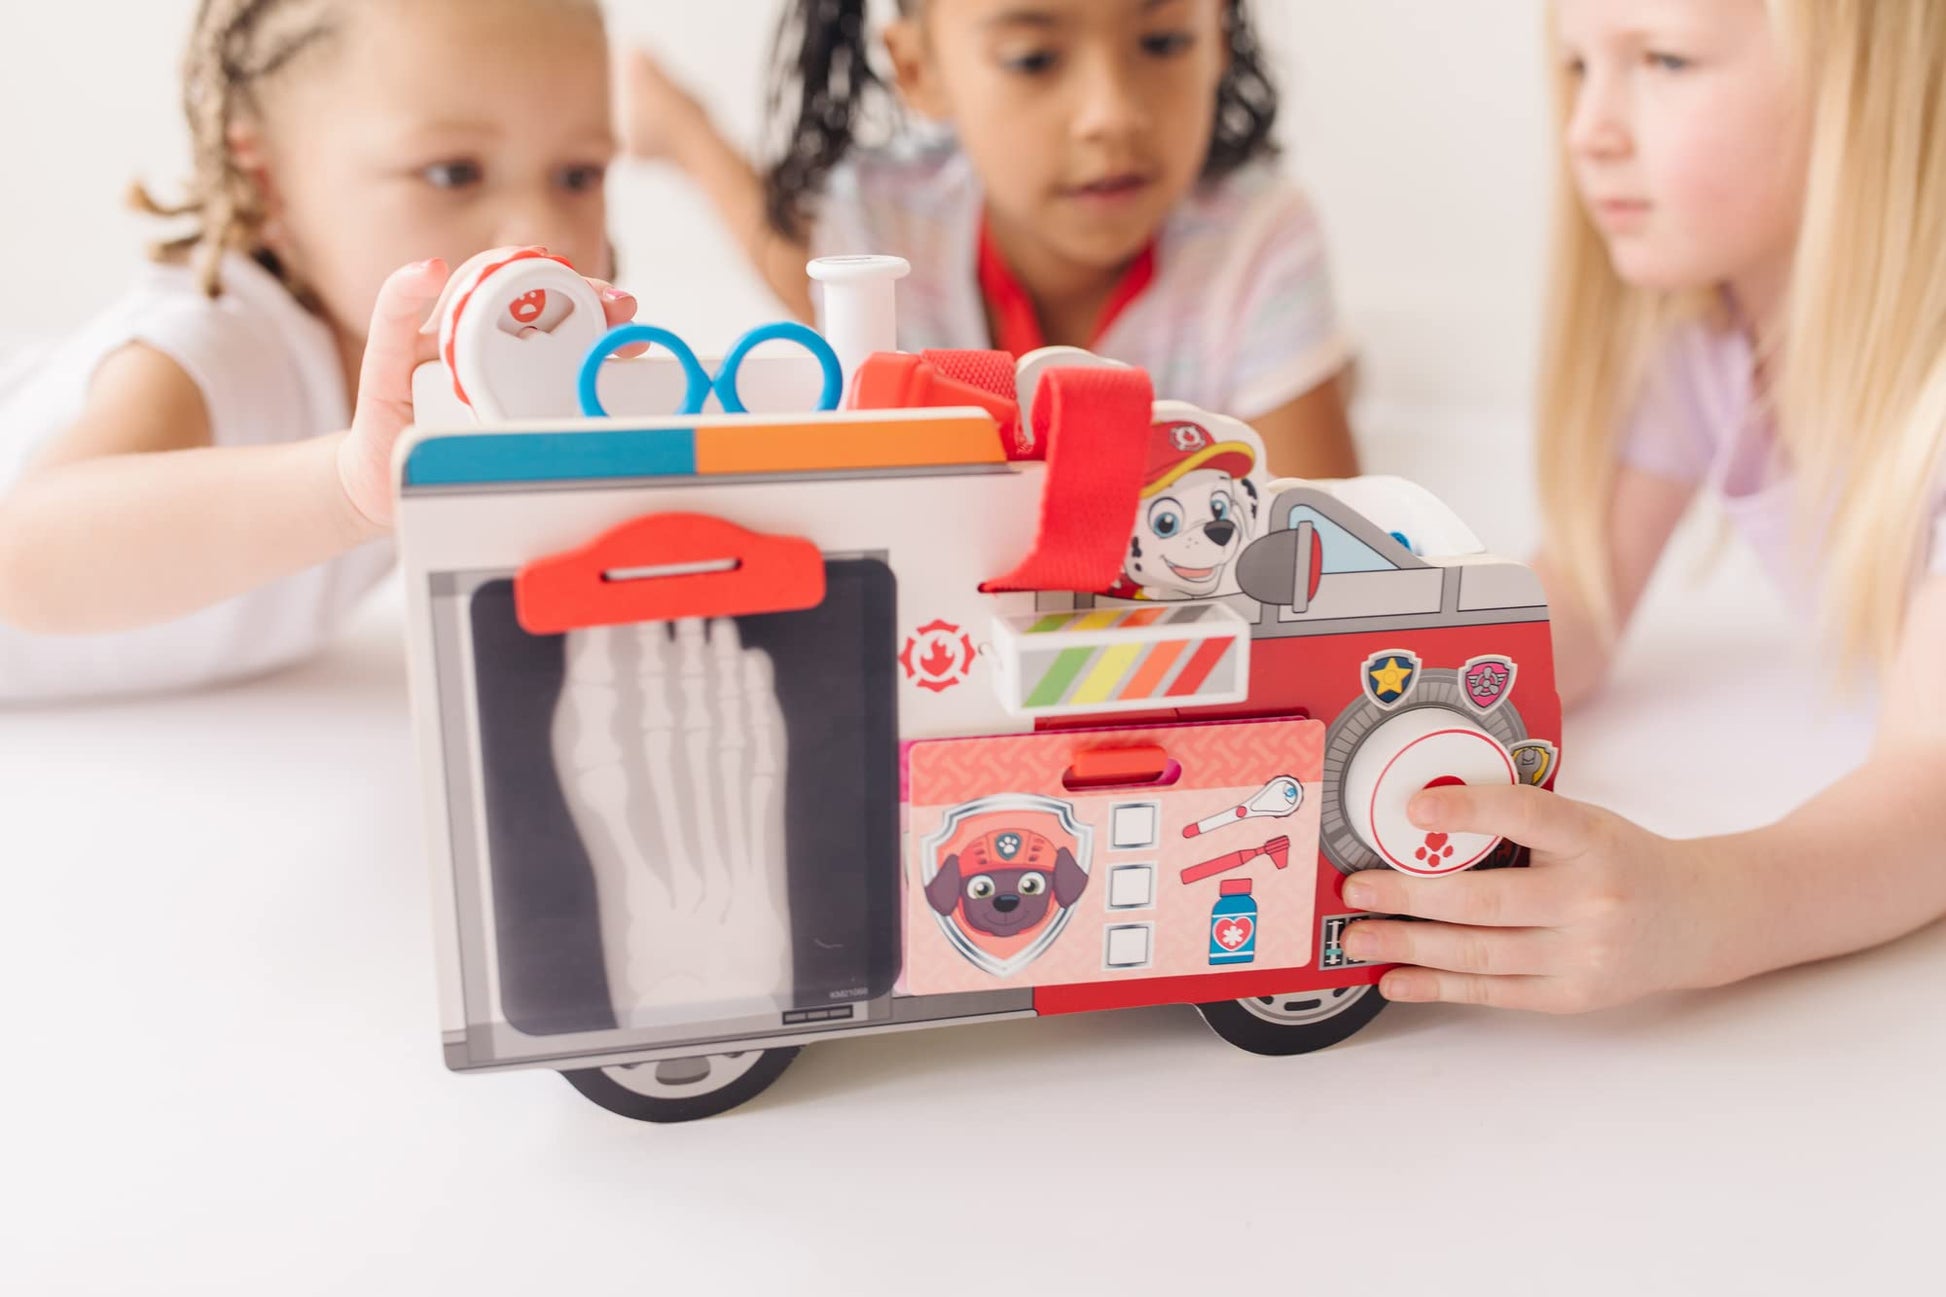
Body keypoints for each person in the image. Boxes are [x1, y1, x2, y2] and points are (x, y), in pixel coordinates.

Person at [1338, 0, 1946, 1012]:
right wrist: (1354, 693)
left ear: (1866, 86)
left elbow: (1934, 787)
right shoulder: (1709, 344)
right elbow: (1573, 603)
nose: (1587, 130)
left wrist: (1704, 904)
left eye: (1663, 60)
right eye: (1577, 67)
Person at [0, 0, 636, 702]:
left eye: (579, 175)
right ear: (270, 186)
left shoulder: (471, 382)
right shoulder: (213, 342)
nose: (542, 230)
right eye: (454, 174)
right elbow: (24, 561)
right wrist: (344, 487)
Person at [626, 0, 1359, 478]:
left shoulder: (1259, 237)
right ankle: (681, 124)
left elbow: (1322, 563)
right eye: (1033, 58)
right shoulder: (878, 216)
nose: (1110, 114)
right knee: (806, 267)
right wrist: (693, 140)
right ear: (919, 70)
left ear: (1218, 37)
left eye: (1164, 41)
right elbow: (785, 254)